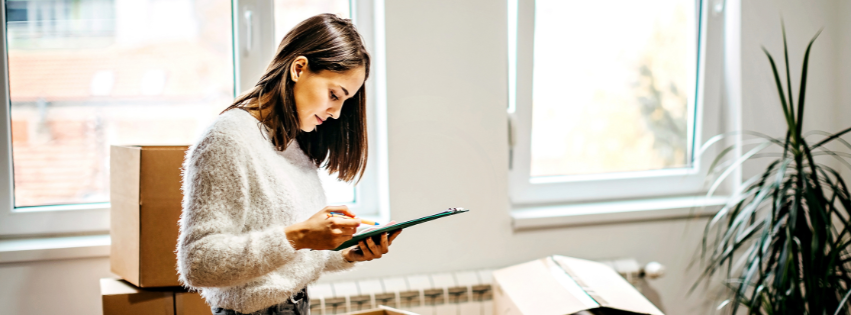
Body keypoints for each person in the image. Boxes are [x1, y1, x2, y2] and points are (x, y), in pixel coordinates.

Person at [176, 14, 401, 315]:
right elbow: (198, 263)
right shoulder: (227, 139)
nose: (336, 113)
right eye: (334, 94)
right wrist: (299, 236)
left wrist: (347, 252)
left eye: (345, 101)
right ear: (299, 68)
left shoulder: (291, 142)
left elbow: (285, 259)